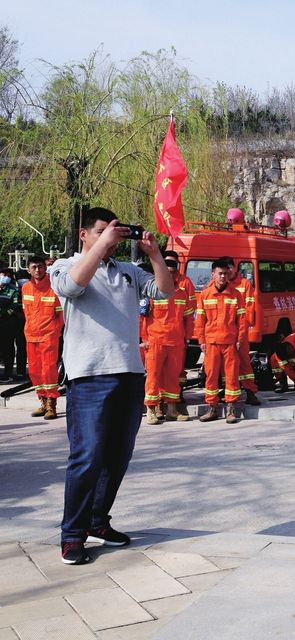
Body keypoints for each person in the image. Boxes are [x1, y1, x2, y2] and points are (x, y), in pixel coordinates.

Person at [49, 207, 174, 565]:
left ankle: (97, 521)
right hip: (89, 377)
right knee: (86, 457)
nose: (112, 238)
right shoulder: (66, 264)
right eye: (103, 231)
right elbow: (73, 286)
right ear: (84, 234)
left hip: (130, 374)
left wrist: (154, 256)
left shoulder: (126, 271)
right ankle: (72, 535)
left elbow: (164, 292)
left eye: (115, 232)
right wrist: (99, 248)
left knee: (117, 457)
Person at [142, 251, 195, 424]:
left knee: (173, 377)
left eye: (173, 272)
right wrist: (145, 339)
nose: (170, 274)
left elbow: (188, 318)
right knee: (154, 376)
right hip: (155, 341)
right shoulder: (152, 293)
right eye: (167, 271)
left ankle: (172, 409)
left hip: (176, 341)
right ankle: (151, 409)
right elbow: (143, 319)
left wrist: (186, 338)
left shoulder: (181, 293)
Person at [196, 258, 246, 423]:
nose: (223, 276)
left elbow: (242, 321)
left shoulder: (236, 295)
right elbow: (200, 322)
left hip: (230, 342)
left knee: (231, 376)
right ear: (213, 274)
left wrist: (240, 339)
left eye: (226, 273)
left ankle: (231, 410)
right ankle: (212, 409)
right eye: (220, 273)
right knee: (211, 376)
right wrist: (201, 340)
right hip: (211, 343)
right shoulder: (204, 295)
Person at [22, 255, 64, 419]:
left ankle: (51, 404)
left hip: (48, 336)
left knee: (49, 370)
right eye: (34, 267)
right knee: (35, 371)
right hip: (31, 336)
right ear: (28, 269)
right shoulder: (25, 288)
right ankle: (42, 400)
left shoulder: (54, 288)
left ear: (45, 267)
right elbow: (26, 312)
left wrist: (55, 331)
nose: (37, 270)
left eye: (40, 267)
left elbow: (61, 315)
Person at [222, 256, 260, 406]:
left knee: (244, 364)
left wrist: (241, 330)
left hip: (240, 333)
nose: (227, 272)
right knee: (224, 366)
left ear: (235, 268)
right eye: (225, 269)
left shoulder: (244, 284)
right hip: (223, 335)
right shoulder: (215, 284)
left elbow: (248, 311)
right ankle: (226, 394)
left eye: (230, 268)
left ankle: (250, 392)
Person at [0, 267, 22, 382]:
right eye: (3, 275)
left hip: (7, 324)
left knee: (7, 349)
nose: (5, 278)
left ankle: (7, 373)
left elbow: (14, 306)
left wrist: (4, 315)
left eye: (8, 276)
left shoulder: (13, 290)